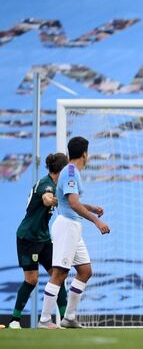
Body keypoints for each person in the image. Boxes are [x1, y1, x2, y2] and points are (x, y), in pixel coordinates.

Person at [38, 137, 110, 329]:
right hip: (67, 226)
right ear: (85, 154)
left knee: (85, 271)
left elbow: (69, 200)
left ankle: (69, 318)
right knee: (60, 273)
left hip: (73, 226)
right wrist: (96, 220)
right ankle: (44, 319)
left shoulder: (71, 172)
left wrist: (91, 208)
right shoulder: (70, 172)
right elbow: (72, 203)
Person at [8, 153, 69, 329]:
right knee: (32, 279)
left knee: (59, 274)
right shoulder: (47, 185)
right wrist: (57, 202)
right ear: (62, 170)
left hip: (43, 237)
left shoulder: (55, 184)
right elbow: (46, 198)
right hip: (28, 237)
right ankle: (15, 320)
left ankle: (65, 318)